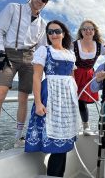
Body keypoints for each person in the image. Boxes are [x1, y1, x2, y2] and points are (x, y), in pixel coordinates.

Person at [0, 0, 50, 162]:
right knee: (0, 93)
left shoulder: (43, 24)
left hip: (30, 58)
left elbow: (42, 48)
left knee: (23, 99)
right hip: (8, 54)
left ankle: (18, 138)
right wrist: (0, 53)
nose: (40, 1)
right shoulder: (13, 8)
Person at [25, 20, 79, 177]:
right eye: (50, 32)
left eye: (57, 31)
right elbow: (36, 77)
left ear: (63, 33)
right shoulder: (44, 50)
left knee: (64, 142)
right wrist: (38, 102)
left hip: (67, 100)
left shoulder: (70, 54)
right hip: (50, 94)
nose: (54, 34)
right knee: (55, 144)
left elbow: (72, 77)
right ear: (47, 35)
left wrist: (73, 98)